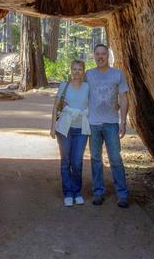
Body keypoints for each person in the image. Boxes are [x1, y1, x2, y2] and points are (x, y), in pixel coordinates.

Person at [86, 43, 130, 208]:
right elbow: (79, 92)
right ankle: (98, 192)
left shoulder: (117, 74)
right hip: (93, 123)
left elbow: (124, 99)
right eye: (97, 54)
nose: (100, 57)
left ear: (108, 56)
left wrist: (123, 121)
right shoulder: (88, 74)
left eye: (103, 53)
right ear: (94, 56)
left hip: (111, 123)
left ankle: (122, 194)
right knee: (95, 159)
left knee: (115, 159)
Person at [50, 60, 91, 207]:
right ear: (70, 70)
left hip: (81, 130)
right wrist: (52, 127)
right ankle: (68, 192)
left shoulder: (87, 87)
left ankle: (77, 191)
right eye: (74, 69)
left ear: (83, 72)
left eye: (80, 69)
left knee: (77, 162)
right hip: (64, 129)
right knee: (66, 161)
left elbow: (94, 104)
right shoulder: (64, 86)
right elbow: (56, 107)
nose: (76, 72)